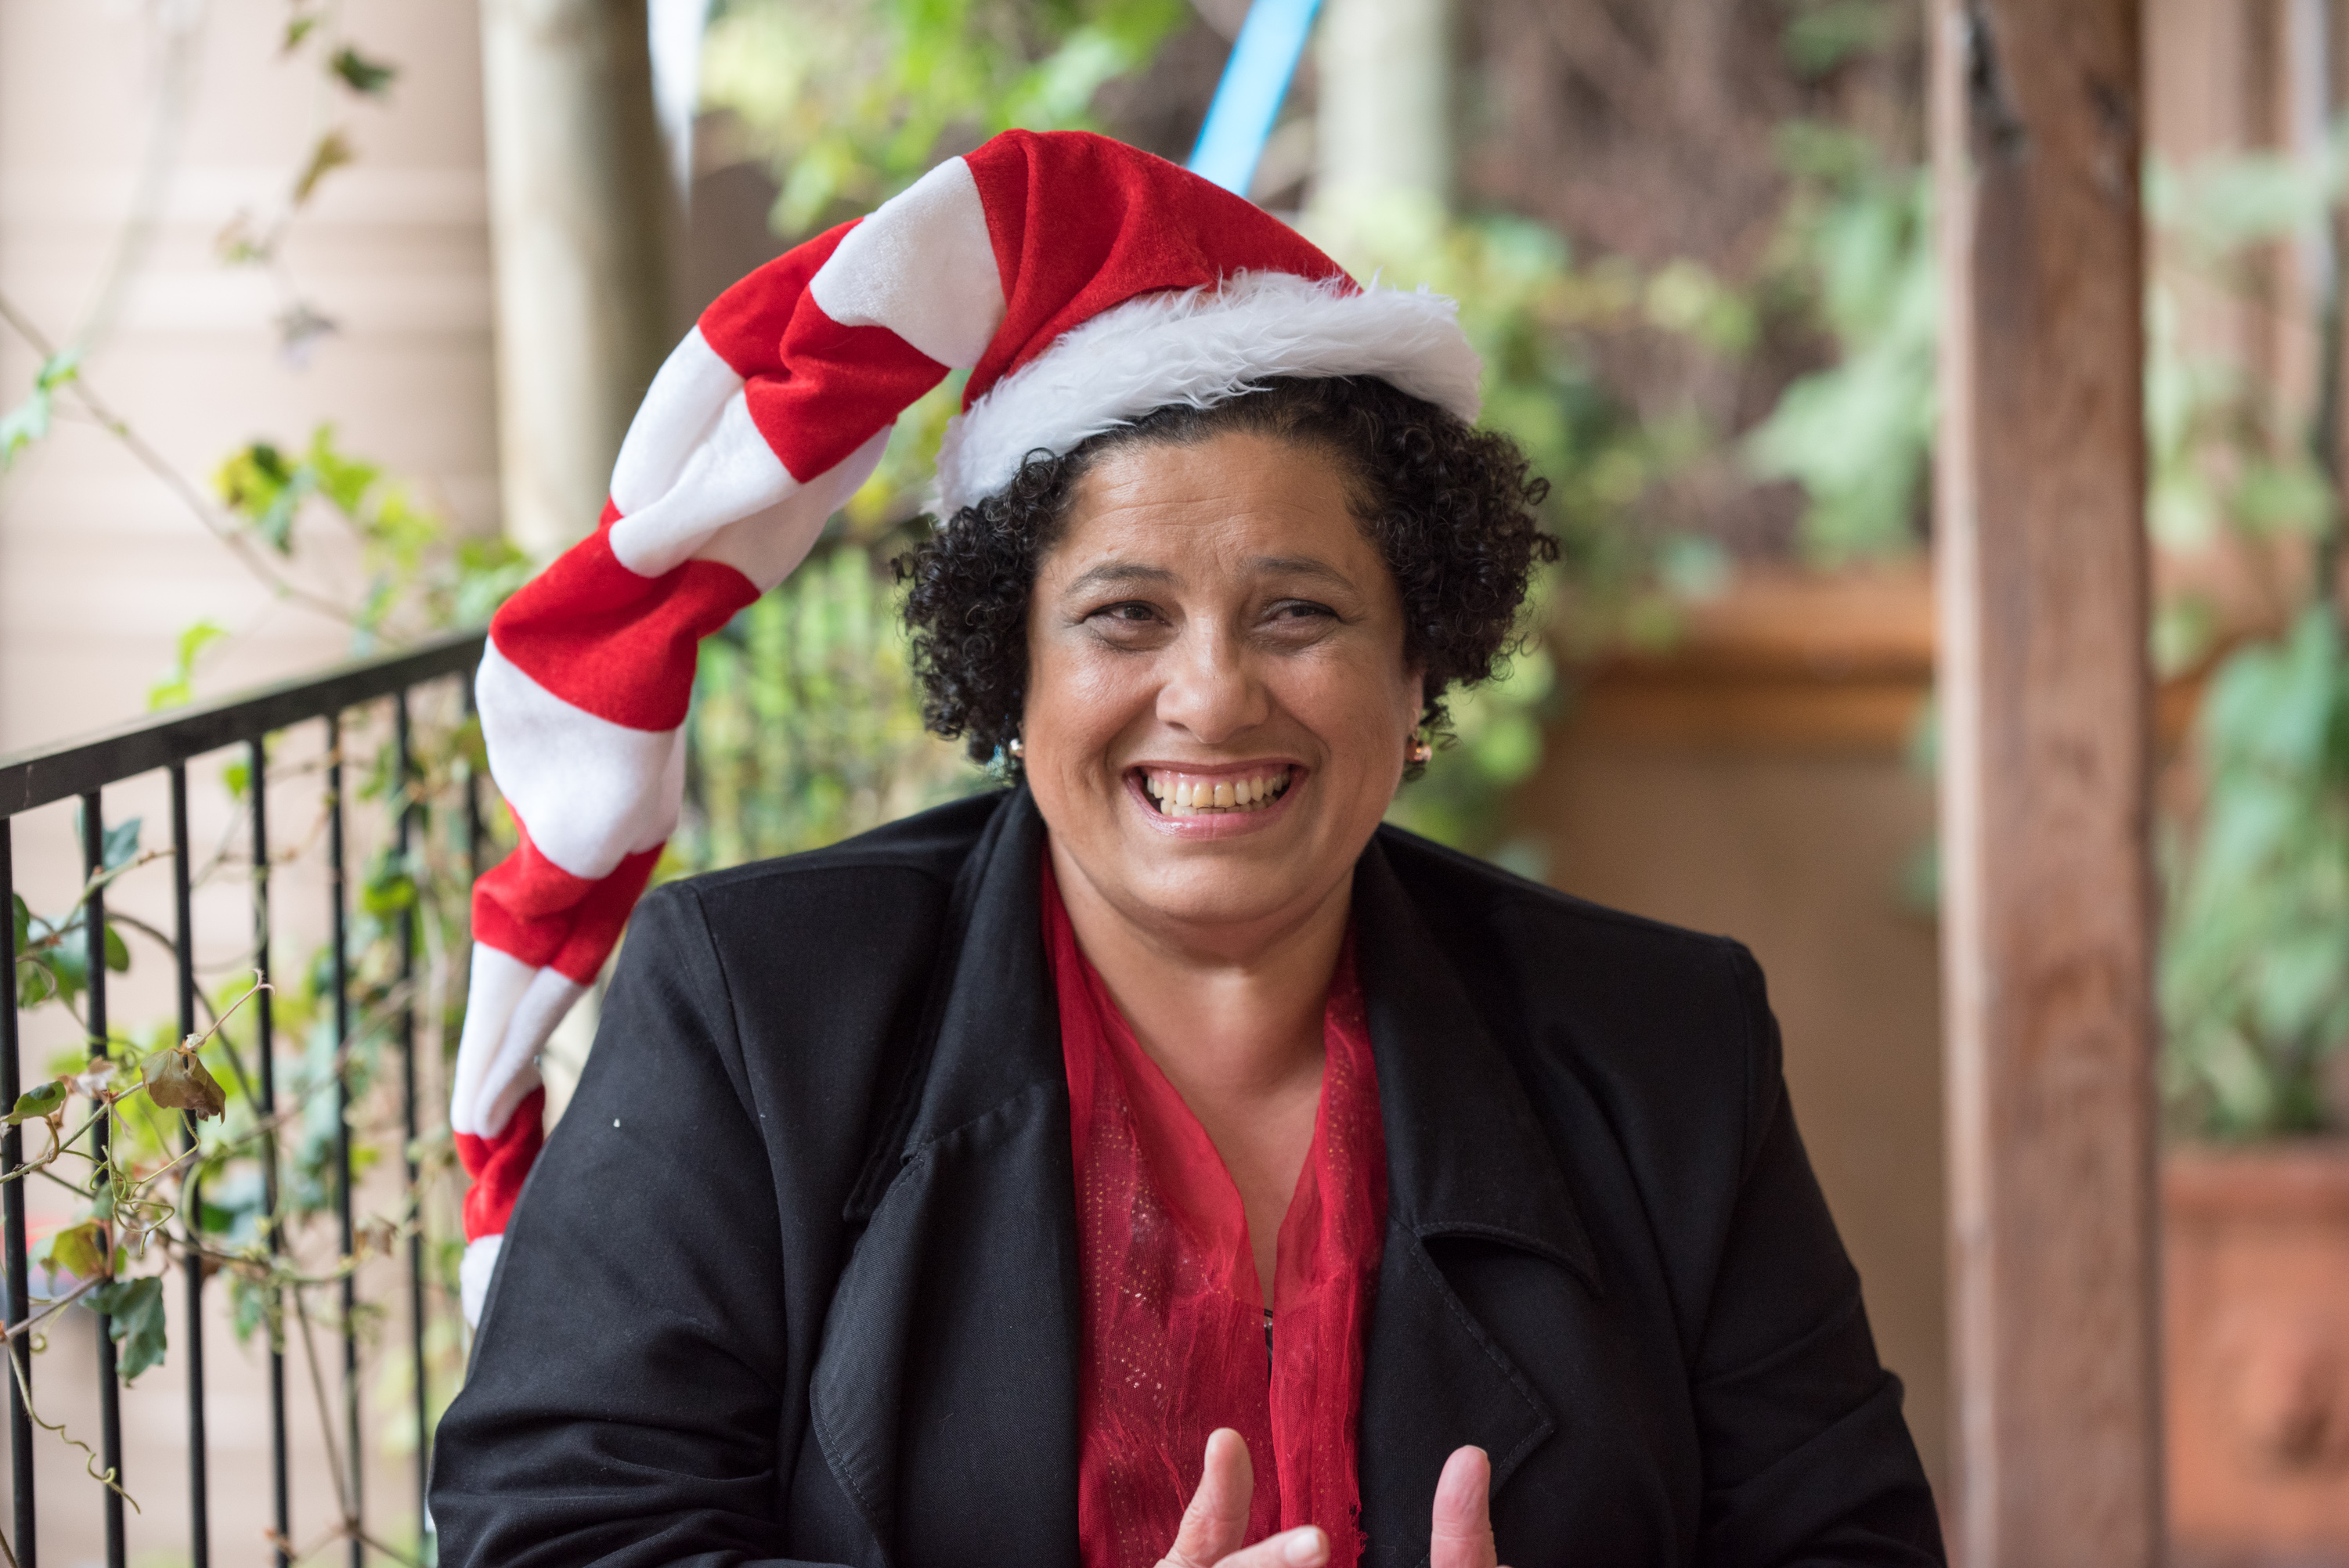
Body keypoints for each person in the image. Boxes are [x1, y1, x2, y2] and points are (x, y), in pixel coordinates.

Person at [429, 130, 1944, 1568]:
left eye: (1298, 612)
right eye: (1124, 616)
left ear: (1418, 664)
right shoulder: (759, 1010)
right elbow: (555, 1534)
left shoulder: (1668, 1048)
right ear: (1010, 673)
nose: (1212, 697)